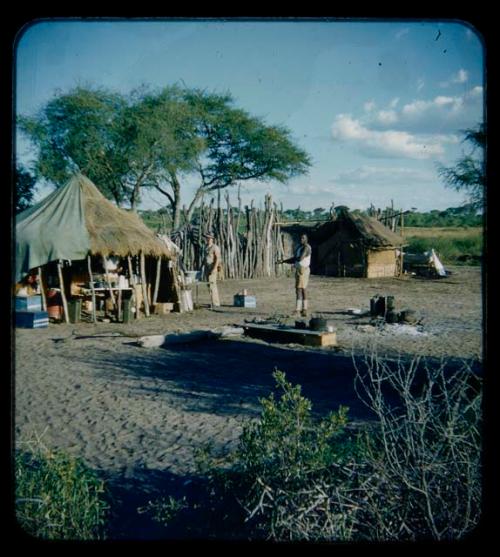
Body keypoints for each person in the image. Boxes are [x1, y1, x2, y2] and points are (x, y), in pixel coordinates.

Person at [279, 234, 312, 317]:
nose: (301, 239)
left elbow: (300, 258)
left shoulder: (307, 248)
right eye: (301, 238)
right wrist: (283, 261)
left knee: (301, 289)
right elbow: (295, 259)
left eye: (303, 238)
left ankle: (301, 310)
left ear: (307, 239)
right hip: (299, 269)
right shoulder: (300, 247)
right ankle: (301, 309)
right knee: (299, 289)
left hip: (303, 270)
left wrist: (292, 260)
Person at [203, 232, 221, 308]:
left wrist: (214, 268)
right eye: (207, 238)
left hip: (212, 267)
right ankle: (212, 301)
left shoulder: (215, 247)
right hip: (207, 268)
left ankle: (216, 303)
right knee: (209, 285)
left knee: (212, 285)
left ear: (212, 239)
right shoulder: (206, 247)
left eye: (209, 238)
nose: (207, 239)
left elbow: (217, 259)